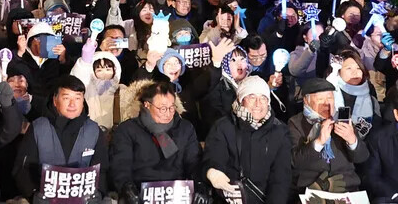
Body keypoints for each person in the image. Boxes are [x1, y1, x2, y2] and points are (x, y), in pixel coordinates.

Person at [13, 76, 110, 201]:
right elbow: (22, 169)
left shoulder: (94, 130)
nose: (72, 104)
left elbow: (102, 171)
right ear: (55, 100)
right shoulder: (38, 128)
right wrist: (34, 195)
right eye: (66, 98)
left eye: (77, 98)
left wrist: (98, 194)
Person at [110, 81, 207, 203]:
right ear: (147, 105)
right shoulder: (127, 129)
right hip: (140, 192)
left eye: (172, 107)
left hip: (177, 191)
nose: (168, 113)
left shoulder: (185, 128)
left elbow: (193, 161)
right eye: (163, 108)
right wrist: (126, 187)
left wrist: (199, 183)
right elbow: (121, 165)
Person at [204, 76, 292, 204]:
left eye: (263, 98)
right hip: (231, 198)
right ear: (241, 100)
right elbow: (215, 157)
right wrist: (212, 171)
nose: (258, 104)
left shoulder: (280, 131)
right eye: (252, 97)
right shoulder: (223, 127)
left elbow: (281, 178)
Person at [289, 78, 369, 196]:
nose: (326, 103)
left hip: (347, 187)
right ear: (306, 100)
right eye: (320, 99)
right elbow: (295, 162)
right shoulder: (296, 123)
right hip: (312, 189)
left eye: (330, 98)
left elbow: (362, 157)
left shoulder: (343, 120)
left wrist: (352, 140)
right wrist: (318, 142)